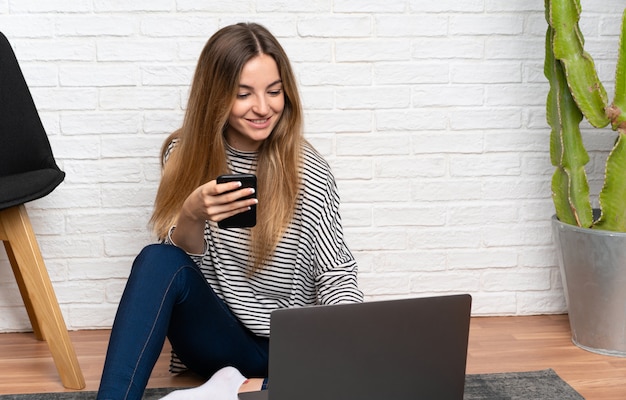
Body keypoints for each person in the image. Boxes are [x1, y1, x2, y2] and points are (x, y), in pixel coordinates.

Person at [96, 22, 363, 400]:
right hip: (216, 342)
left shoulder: (310, 171)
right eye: (243, 94)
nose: (263, 107)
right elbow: (178, 278)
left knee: (360, 374)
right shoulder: (186, 155)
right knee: (157, 258)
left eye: (274, 91)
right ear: (216, 96)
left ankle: (248, 388)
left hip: (287, 349)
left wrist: (355, 343)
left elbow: (336, 275)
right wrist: (190, 215)